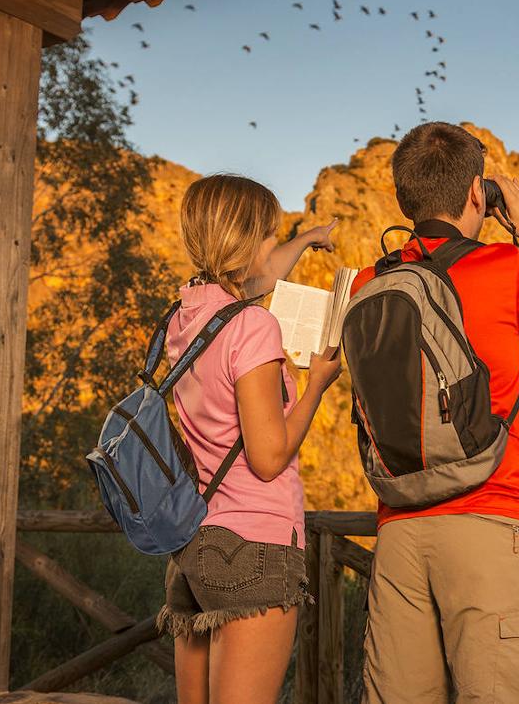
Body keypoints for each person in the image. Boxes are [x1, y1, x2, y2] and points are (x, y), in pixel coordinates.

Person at [353, 123, 519, 703]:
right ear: (477, 192)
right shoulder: (504, 268)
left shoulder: (370, 282)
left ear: (404, 199)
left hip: (398, 530)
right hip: (494, 521)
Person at [156, 174, 342, 704]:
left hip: (196, 542)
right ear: (248, 240)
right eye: (270, 233)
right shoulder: (253, 326)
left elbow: (259, 277)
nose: (273, 243)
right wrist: (316, 385)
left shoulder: (187, 315)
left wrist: (307, 239)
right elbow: (268, 456)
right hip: (254, 547)